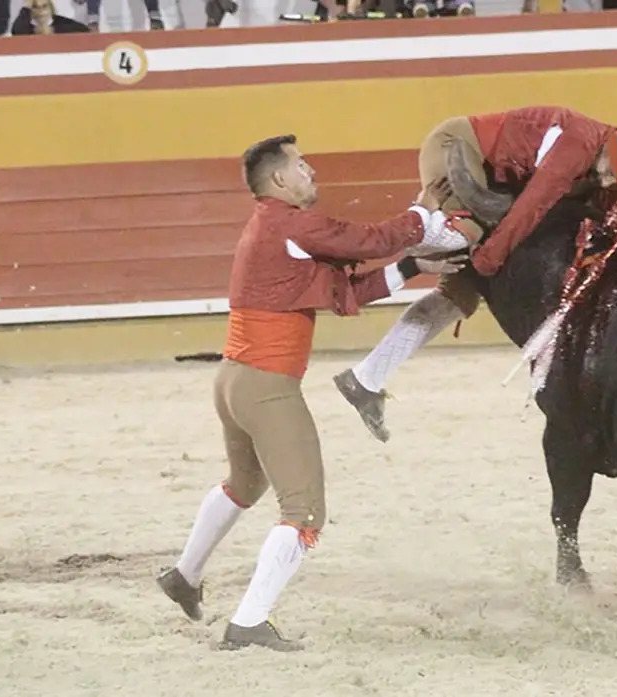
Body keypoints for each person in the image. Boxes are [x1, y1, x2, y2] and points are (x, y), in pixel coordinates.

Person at [155, 134, 469, 652]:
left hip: (233, 379)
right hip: (267, 387)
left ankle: (184, 577)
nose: (312, 171)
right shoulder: (294, 224)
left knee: (244, 485)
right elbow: (371, 240)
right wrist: (422, 213)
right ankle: (249, 623)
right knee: (303, 512)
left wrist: (415, 266)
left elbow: (349, 292)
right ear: (279, 180)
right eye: (302, 166)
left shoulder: (274, 229)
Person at [332, 105, 617, 442]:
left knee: (459, 298)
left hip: (496, 180)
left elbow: (593, 224)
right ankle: (409, 227)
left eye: (614, 182)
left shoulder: (608, 164)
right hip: (457, 147)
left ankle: (365, 379)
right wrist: (486, 261)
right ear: (611, 155)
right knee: (468, 235)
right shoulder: (578, 146)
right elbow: (530, 208)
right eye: (608, 174)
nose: (605, 183)